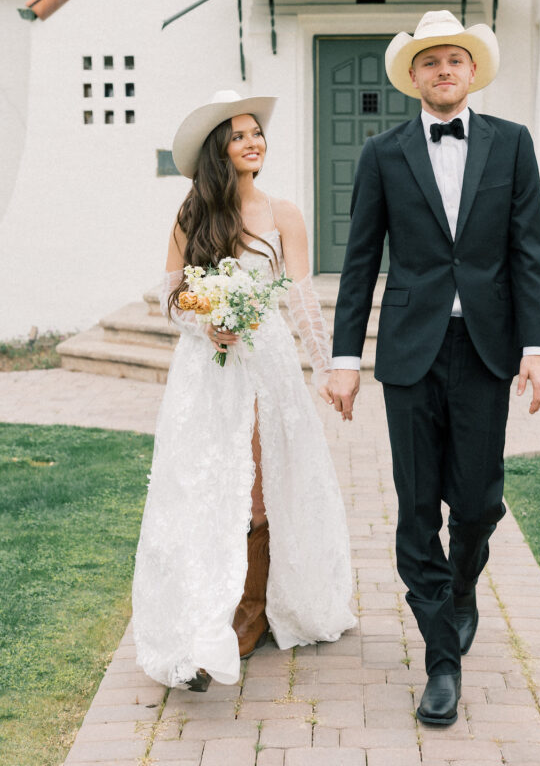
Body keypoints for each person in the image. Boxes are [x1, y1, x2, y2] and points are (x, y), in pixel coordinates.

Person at [327, 10, 540, 726]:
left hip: (486, 349)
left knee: (479, 500)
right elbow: (360, 260)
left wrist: (537, 347)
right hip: (409, 352)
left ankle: (460, 594)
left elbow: (526, 253)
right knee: (418, 504)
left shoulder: (511, 146)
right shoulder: (382, 153)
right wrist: (343, 358)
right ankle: (439, 660)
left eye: (454, 59)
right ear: (413, 76)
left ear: (471, 71)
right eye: (430, 62)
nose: (443, 70)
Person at [133, 89, 355, 691]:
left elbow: (303, 298)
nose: (253, 141)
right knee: (202, 485)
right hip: (206, 369)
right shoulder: (192, 215)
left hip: (267, 366)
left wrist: (330, 365)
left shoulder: (284, 214)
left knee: (258, 487)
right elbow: (171, 294)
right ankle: (201, 610)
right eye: (239, 134)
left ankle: (251, 613)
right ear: (218, 150)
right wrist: (206, 319)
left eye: (256, 132)